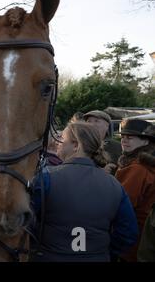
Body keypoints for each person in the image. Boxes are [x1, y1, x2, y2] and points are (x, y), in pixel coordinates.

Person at [30, 122, 138, 262]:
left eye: (62, 138)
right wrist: (105, 252)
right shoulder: (114, 184)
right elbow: (128, 233)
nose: (57, 142)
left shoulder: (45, 178)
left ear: (76, 145)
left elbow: (26, 223)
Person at [115, 118, 155, 262]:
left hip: (131, 239)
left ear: (145, 141)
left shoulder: (137, 169)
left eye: (130, 137)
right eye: (123, 137)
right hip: (142, 239)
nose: (124, 140)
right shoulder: (139, 165)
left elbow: (121, 205)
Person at [84, 110, 122, 174]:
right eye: (89, 121)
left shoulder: (116, 147)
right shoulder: (79, 145)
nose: (91, 124)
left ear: (107, 126)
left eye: (96, 121)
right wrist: (99, 172)